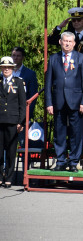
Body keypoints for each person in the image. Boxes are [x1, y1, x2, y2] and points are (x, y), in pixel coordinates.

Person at [45, 31, 83, 172]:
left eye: (70, 41)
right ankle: (60, 161)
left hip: (76, 101)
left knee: (76, 133)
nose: (67, 44)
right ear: (60, 42)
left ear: (74, 43)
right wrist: (49, 103)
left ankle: (73, 162)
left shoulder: (81, 58)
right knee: (59, 133)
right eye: (65, 41)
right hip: (58, 101)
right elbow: (48, 83)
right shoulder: (53, 58)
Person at [0, 57, 26, 188]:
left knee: (11, 151)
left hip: (12, 121)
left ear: (12, 69)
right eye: (4, 67)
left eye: (8, 67)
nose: (6, 69)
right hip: (0, 120)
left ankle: (9, 178)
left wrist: (21, 122)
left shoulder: (18, 82)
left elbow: (22, 104)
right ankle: (0, 177)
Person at [11, 47, 38, 118]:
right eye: (13, 55)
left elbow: (33, 96)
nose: (15, 58)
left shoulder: (30, 74)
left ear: (23, 57)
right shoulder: (4, 74)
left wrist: (27, 114)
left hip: (22, 113)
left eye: (18, 56)